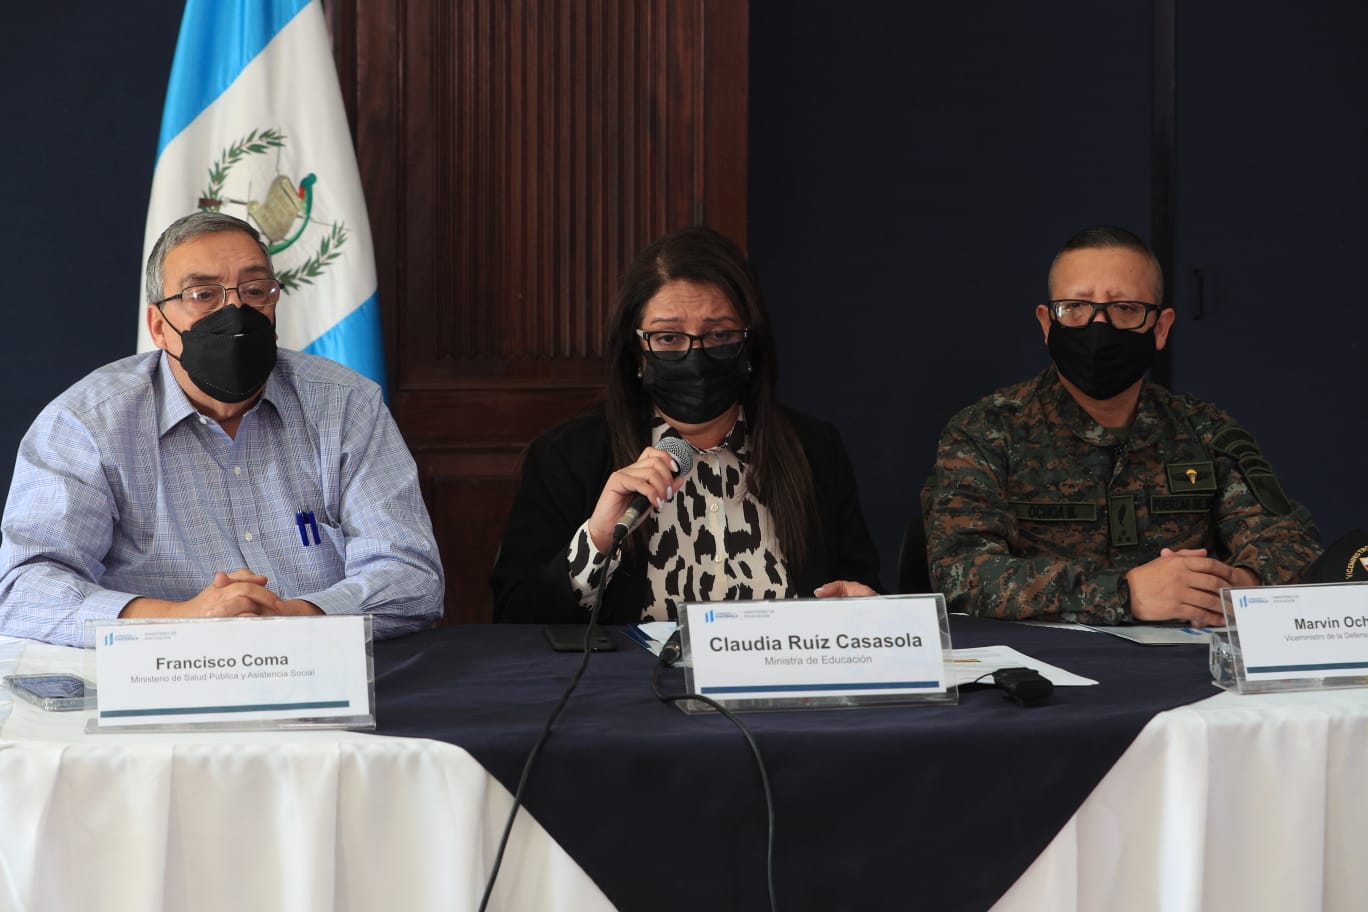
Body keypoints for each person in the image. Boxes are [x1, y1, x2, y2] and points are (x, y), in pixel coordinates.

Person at [0, 211, 443, 645]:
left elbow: (411, 575)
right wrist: (183, 620)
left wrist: (293, 618)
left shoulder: (344, 404)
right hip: (157, 681)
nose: (234, 310)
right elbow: (22, 590)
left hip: (323, 672)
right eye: (203, 295)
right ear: (158, 326)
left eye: (254, 290)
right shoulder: (86, 422)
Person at [921, 225, 1321, 627]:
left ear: (1160, 327)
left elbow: (1291, 543)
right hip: (1043, 670)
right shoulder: (986, 430)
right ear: (1047, 324)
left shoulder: (1204, 429)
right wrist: (1123, 592)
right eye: (1075, 307)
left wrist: (1241, 584)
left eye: (1126, 308)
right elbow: (961, 573)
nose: (1098, 326)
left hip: (1188, 671)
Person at [491, 225, 880, 624]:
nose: (696, 355)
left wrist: (864, 608)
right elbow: (513, 620)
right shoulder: (568, 457)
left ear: (749, 345)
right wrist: (598, 539)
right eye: (668, 338)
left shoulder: (814, 449)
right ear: (637, 353)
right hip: (630, 686)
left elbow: (863, 591)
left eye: (720, 335)